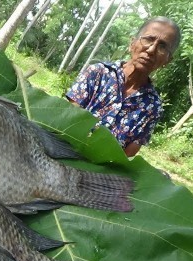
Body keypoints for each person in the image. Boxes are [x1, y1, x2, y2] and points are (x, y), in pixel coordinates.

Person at [65, 17, 181, 157]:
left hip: (101, 171)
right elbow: (68, 119)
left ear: (167, 60)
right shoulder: (98, 73)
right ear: (132, 43)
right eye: (148, 39)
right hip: (66, 150)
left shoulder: (152, 107)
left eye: (162, 46)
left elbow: (126, 156)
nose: (151, 49)